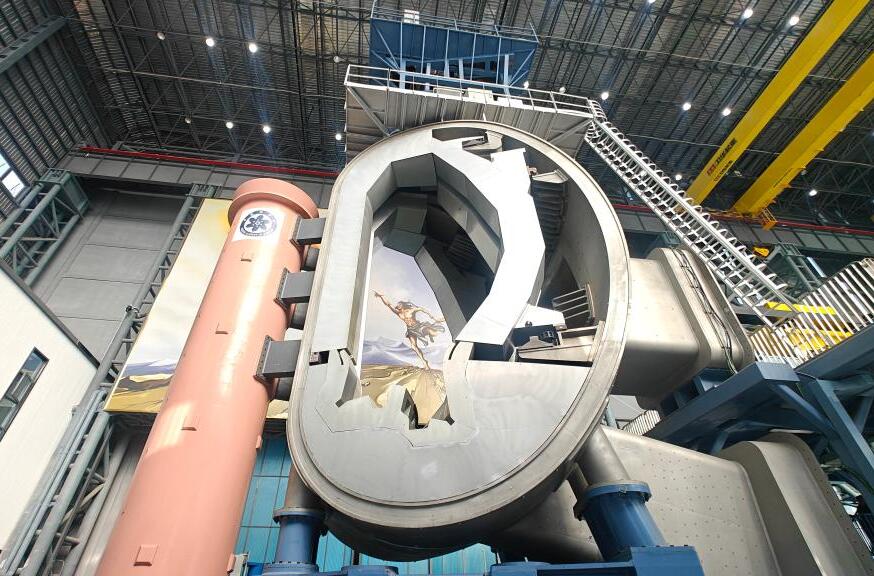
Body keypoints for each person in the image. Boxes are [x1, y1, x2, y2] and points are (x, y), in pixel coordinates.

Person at [374, 291, 446, 370]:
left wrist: (434, 318)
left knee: (434, 333)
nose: (397, 305)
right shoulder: (398, 313)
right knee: (413, 346)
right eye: (397, 305)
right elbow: (388, 304)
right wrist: (381, 296)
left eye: (399, 304)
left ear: (403, 305)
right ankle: (425, 363)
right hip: (411, 330)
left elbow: (421, 309)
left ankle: (432, 332)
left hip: (418, 327)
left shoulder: (410, 310)